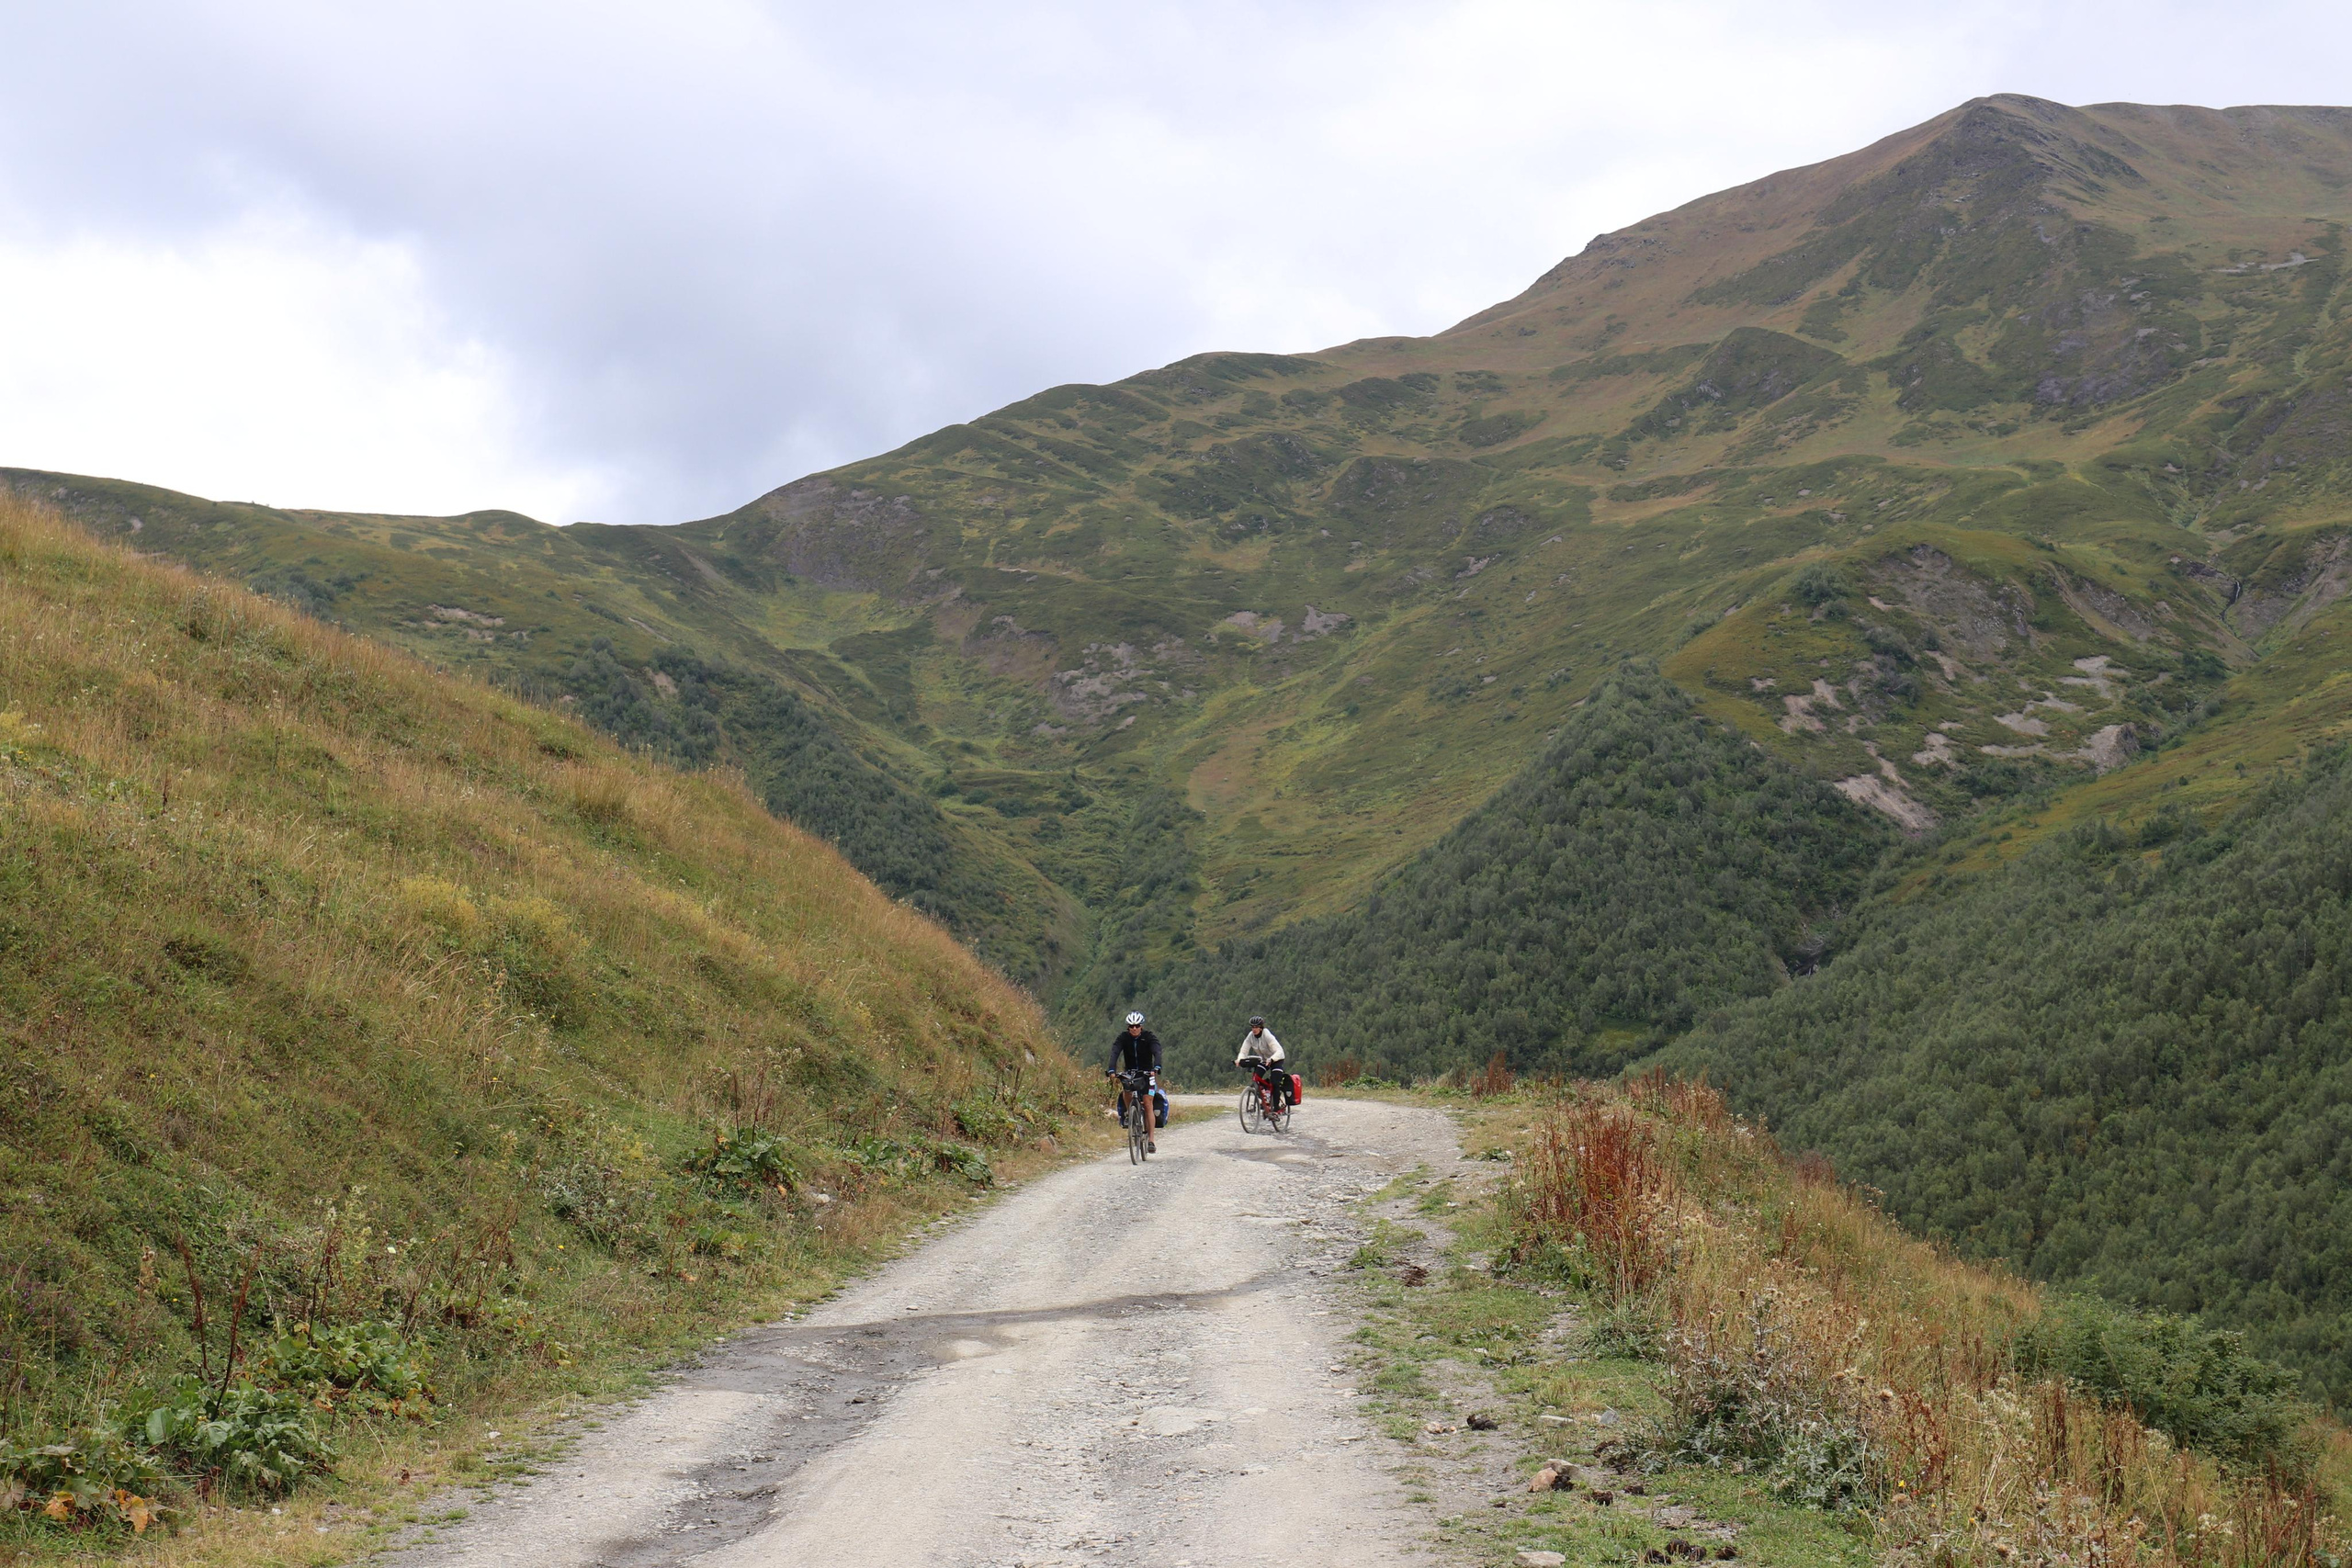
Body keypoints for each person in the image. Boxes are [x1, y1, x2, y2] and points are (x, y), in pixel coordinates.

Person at [1107, 1011, 1164, 1152]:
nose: (1134, 1029)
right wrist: (1111, 1069)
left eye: (1137, 1026)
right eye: (1131, 1026)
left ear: (1141, 1026)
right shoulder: (1123, 1038)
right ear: (1128, 1027)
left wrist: (1157, 1066)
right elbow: (1115, 1051)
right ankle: (1129, 1114)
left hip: (1147, 1073)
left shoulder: (1148, 1037)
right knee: (1126, 1090)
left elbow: (1157, 1051)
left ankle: (1151, 1140)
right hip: (1130, 1072)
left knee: (1148, 1102)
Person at [1236, 1015, 1291, 1109]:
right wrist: (1239, 1059)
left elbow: (1279, 1051)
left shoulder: (1267, 1035)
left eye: (1256, 1027)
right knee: (1256, 1079)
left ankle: (1276, 1108)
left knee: (1275, 1082)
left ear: (1261, 1028)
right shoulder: (1250, 1036)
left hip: (1277, 1059)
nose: (1254, 1029)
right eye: (1252, 1027)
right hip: (1265, 1060)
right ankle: (1266, 1097)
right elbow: (1244, 1051)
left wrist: (1272, 1059)